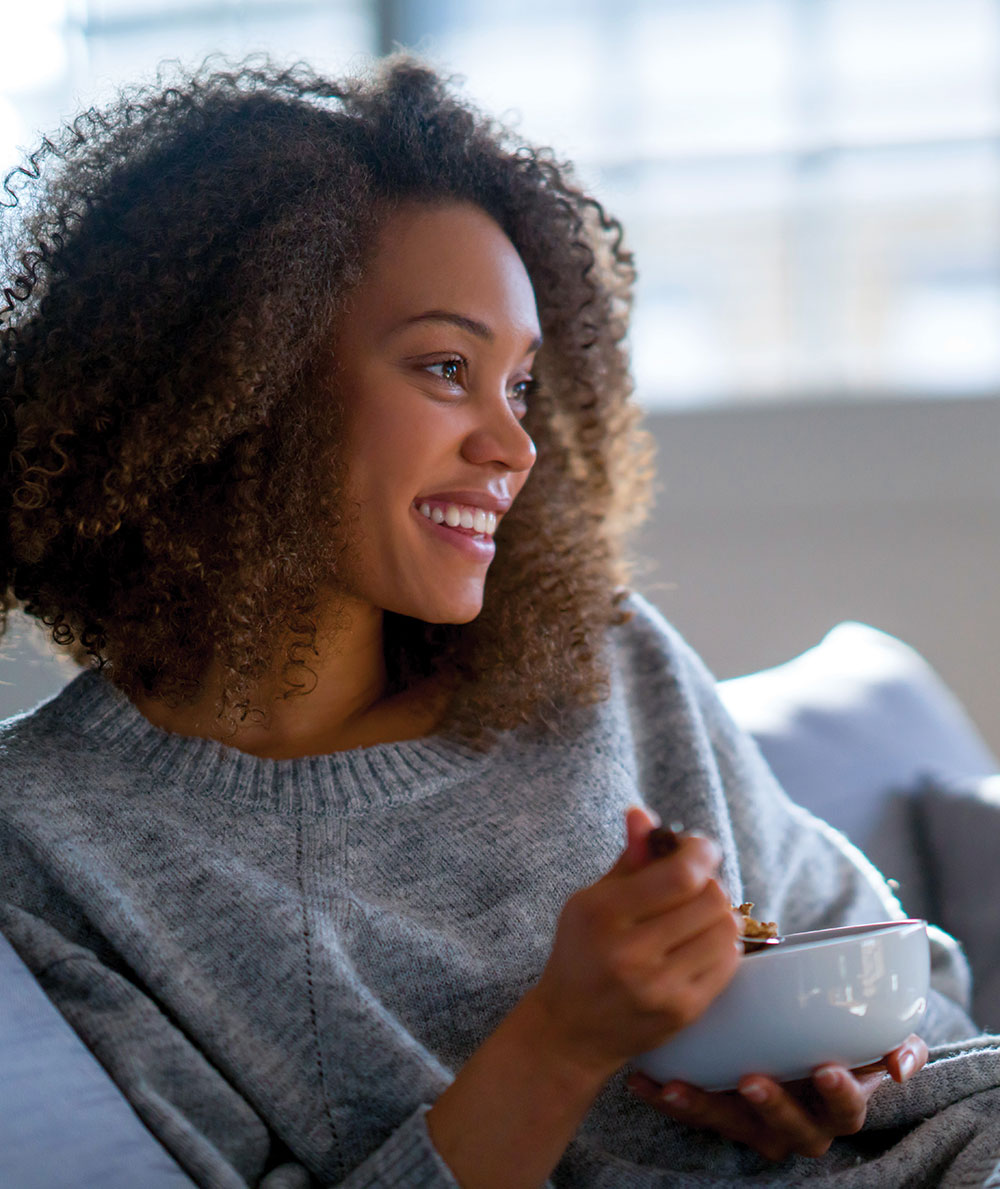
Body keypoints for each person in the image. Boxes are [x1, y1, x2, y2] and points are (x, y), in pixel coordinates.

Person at [1, 57, 997, 1189]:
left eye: (520, 385)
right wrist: (561, 1038)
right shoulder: (52, 840)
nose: (514, 446)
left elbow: (912, 989)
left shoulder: (600, 659)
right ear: (236, 382)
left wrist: (867, 1066)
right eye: (445, 367)